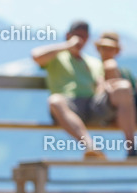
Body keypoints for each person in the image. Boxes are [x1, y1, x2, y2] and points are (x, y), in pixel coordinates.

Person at [31, 21, 137, 160]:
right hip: (68, 105)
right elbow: (36, 55)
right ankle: (90, 147)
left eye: (84, 36)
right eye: (77, 35)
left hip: (93, 105)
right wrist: (67, 46)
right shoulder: (56, 57)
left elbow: (100, 85)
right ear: (68, 35)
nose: (81, 40)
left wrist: (110, 89)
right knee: (55, 100)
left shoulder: (93, 62)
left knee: (123, 87)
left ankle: (131, 148)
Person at [94, 33, 137, 103]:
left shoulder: (126, 73)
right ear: (98, 49)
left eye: (110, 49)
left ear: (117, 51)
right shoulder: (93, 67)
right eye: (104, 48)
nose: (106, 52)